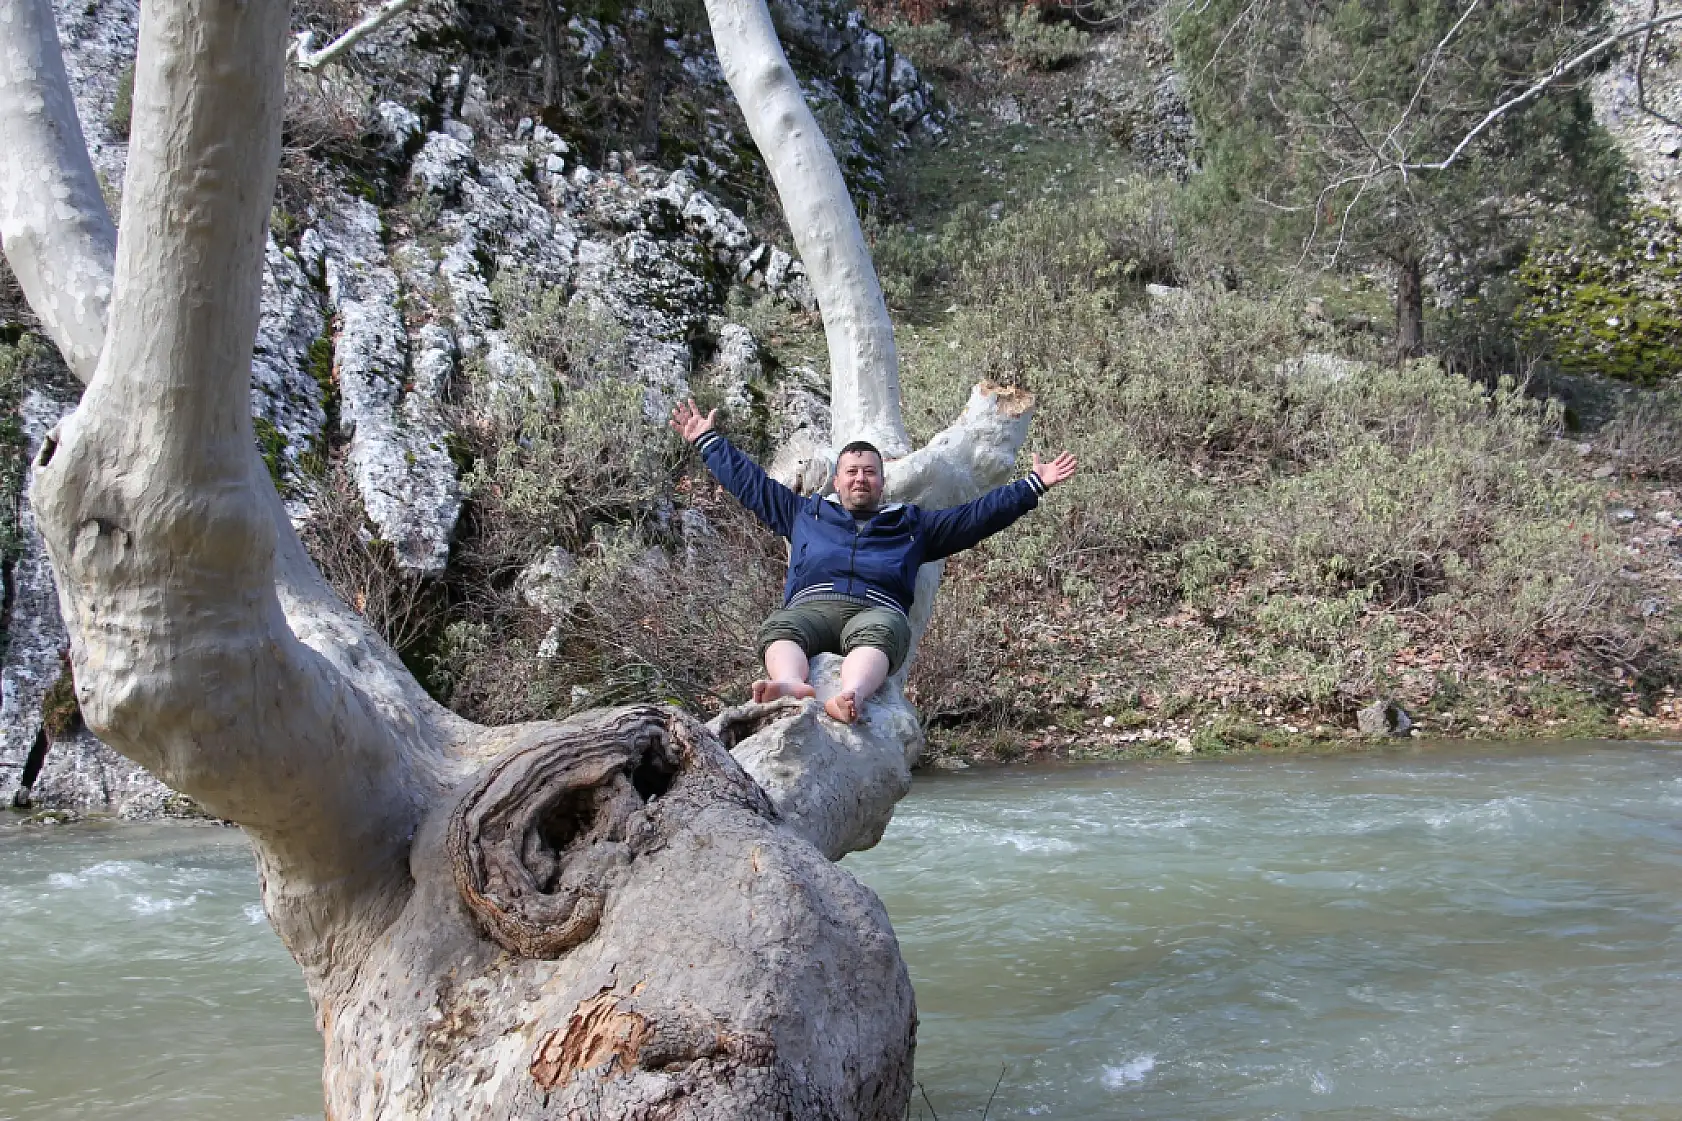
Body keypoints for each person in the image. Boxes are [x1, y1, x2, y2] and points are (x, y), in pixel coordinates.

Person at [671, 399, 1078, 724]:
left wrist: (1032, 485)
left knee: (882, 632)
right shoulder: (802, 513)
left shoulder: (913, 524)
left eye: (869, 472)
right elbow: (750, 483)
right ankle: (791, 685)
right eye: (851, 472)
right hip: (813, 607)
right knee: (781, 627)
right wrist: (709, 442)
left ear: (882, 482)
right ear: (836, 480)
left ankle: (851, 696)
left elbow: (976, 517)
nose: (860, 478)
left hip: (875, 610)